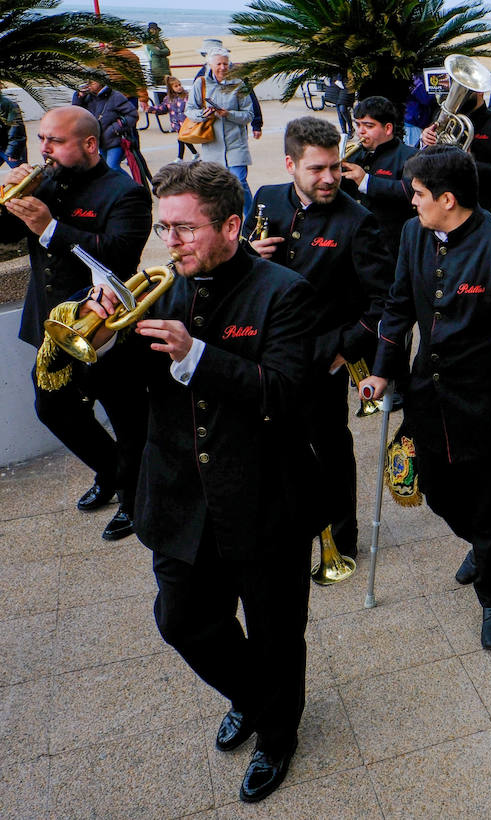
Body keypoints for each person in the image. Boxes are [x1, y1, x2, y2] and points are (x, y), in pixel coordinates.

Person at [80, 161, 319, 803]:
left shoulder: (285, 293)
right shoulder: (157, 290)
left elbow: (288, 396)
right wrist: (103, 339)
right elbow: (125, 397)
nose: (171, 243)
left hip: (266, 497)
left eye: (184, 229)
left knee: (276, 635)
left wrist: (199, 357)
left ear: (232, 226)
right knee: (182, 620)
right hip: (180, 495)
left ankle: (277, 735)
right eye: (165, 229)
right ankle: (253, 696)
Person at [359, 145, 491, 651]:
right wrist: (382, 372)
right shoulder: (412, 233)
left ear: (447, 198)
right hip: (427, 395)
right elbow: (398, 307)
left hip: (488, 403)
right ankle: (484, 549)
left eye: (418, 194)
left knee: (490, 504)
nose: (411, 202)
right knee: (437, 490)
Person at [0, 105, 151, 541]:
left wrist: (50, 228)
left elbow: (118, 255)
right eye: (42, 138)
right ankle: (111, 472)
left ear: (88, 144)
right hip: (53, 324)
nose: (44, 149)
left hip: (104, 327)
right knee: (53, 409)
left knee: (128, 419)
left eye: (55, 141)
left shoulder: (125, 192)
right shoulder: (44, 181)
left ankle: (134, 497)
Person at [248, 117, 390, 560]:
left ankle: (341, 537)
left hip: (320, 359)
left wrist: (343, 353)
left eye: (334, 166)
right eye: (316, 169)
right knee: (274, 443)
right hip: (265, 353)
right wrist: (246, 255)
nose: (329, 178)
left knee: (329, 449)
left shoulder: (358, 221)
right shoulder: (266, 199)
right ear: (290, 164)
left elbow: (383, 303)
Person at [420, 76, 491, 215]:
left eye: (466, 92)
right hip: (442, 201)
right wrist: (424, 140)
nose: (459, 97)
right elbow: (421, 156)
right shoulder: (445, 117)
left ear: (480, 92)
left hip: (480, 205)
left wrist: (470, 164)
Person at [339, 95, 418, 253]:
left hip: (391, 243)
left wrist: (366, 181)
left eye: (368, 126)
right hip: (355, 238)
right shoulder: (353, 156)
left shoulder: (409, 156)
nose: (361, 131)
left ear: (388, 128)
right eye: (358, 124)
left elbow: (409, 191)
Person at [188, 48, 255, 217]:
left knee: (239, 183)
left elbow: (249, 115)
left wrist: (229, 114)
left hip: (236, 144)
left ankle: (251, 219)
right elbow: (189, 110)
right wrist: (203, 115)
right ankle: (223, 219)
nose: (223, 67)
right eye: (219, 64)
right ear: (210, 65)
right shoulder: (200, 84)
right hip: (212, 146)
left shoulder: (238, 84)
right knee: (217, 187)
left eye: (226, 63)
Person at [71, 80, 138, 172]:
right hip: (101, 141)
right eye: (87, 82)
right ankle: (121, 185)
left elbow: (132, 115)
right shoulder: (88, 98)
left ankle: (131, 185)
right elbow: (76, 112)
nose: (89, 85)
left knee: (112, 167)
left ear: (101, 82)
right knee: (108, 169)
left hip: (116, 139)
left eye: (92, 82)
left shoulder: (115, 96)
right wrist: (79, 97)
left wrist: (115, 128)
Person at [146, 76, 198, 160]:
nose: (179, 87)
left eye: (179, 85)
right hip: (177, 123)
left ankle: (180, 158)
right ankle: (194, 153)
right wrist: (151, 109)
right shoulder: (168, 99)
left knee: (181, 139)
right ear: (171, 88)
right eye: (176, 86)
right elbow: (163, 108)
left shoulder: (187, 96)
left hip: (186, 122)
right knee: (183, 139)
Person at [1, 92, 27, 166]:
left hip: (9, 147)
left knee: (22, 173)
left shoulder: (8, 105)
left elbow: (16, 129)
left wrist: (13, 151)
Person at [144, 23, 171, 95]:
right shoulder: (148, 42)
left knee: (168, 88)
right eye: (152, 30)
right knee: (159, 90)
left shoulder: (160, 41)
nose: (155, 31)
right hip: (157, 69)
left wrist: (160, 51)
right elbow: (156, 51)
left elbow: (168, 51)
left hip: (165, 68)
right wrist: (162, 51)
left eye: (156, 30)